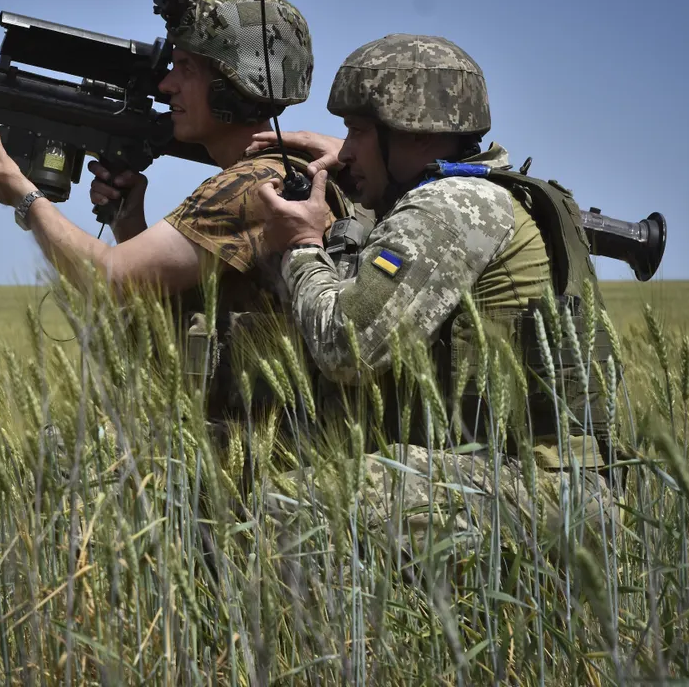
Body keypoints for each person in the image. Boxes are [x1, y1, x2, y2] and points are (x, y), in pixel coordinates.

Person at [0, 0, 354, 424]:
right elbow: (170, 297)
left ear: (230, 86)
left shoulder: (251, 186)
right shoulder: (276, 175)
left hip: (255, 470)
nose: (166, 85)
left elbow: (111, 279)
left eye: (185, 69)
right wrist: (129, 223)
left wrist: (22, 195)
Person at [253, 33, 620, 557]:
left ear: (418, 137)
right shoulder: (479, 188)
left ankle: (330, 644)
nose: (346, 150)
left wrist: (302, 245)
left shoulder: (449, 206)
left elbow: (344, 348)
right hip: (536, 478)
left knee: (293, 506)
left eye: (358, 132)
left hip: (536, 488)